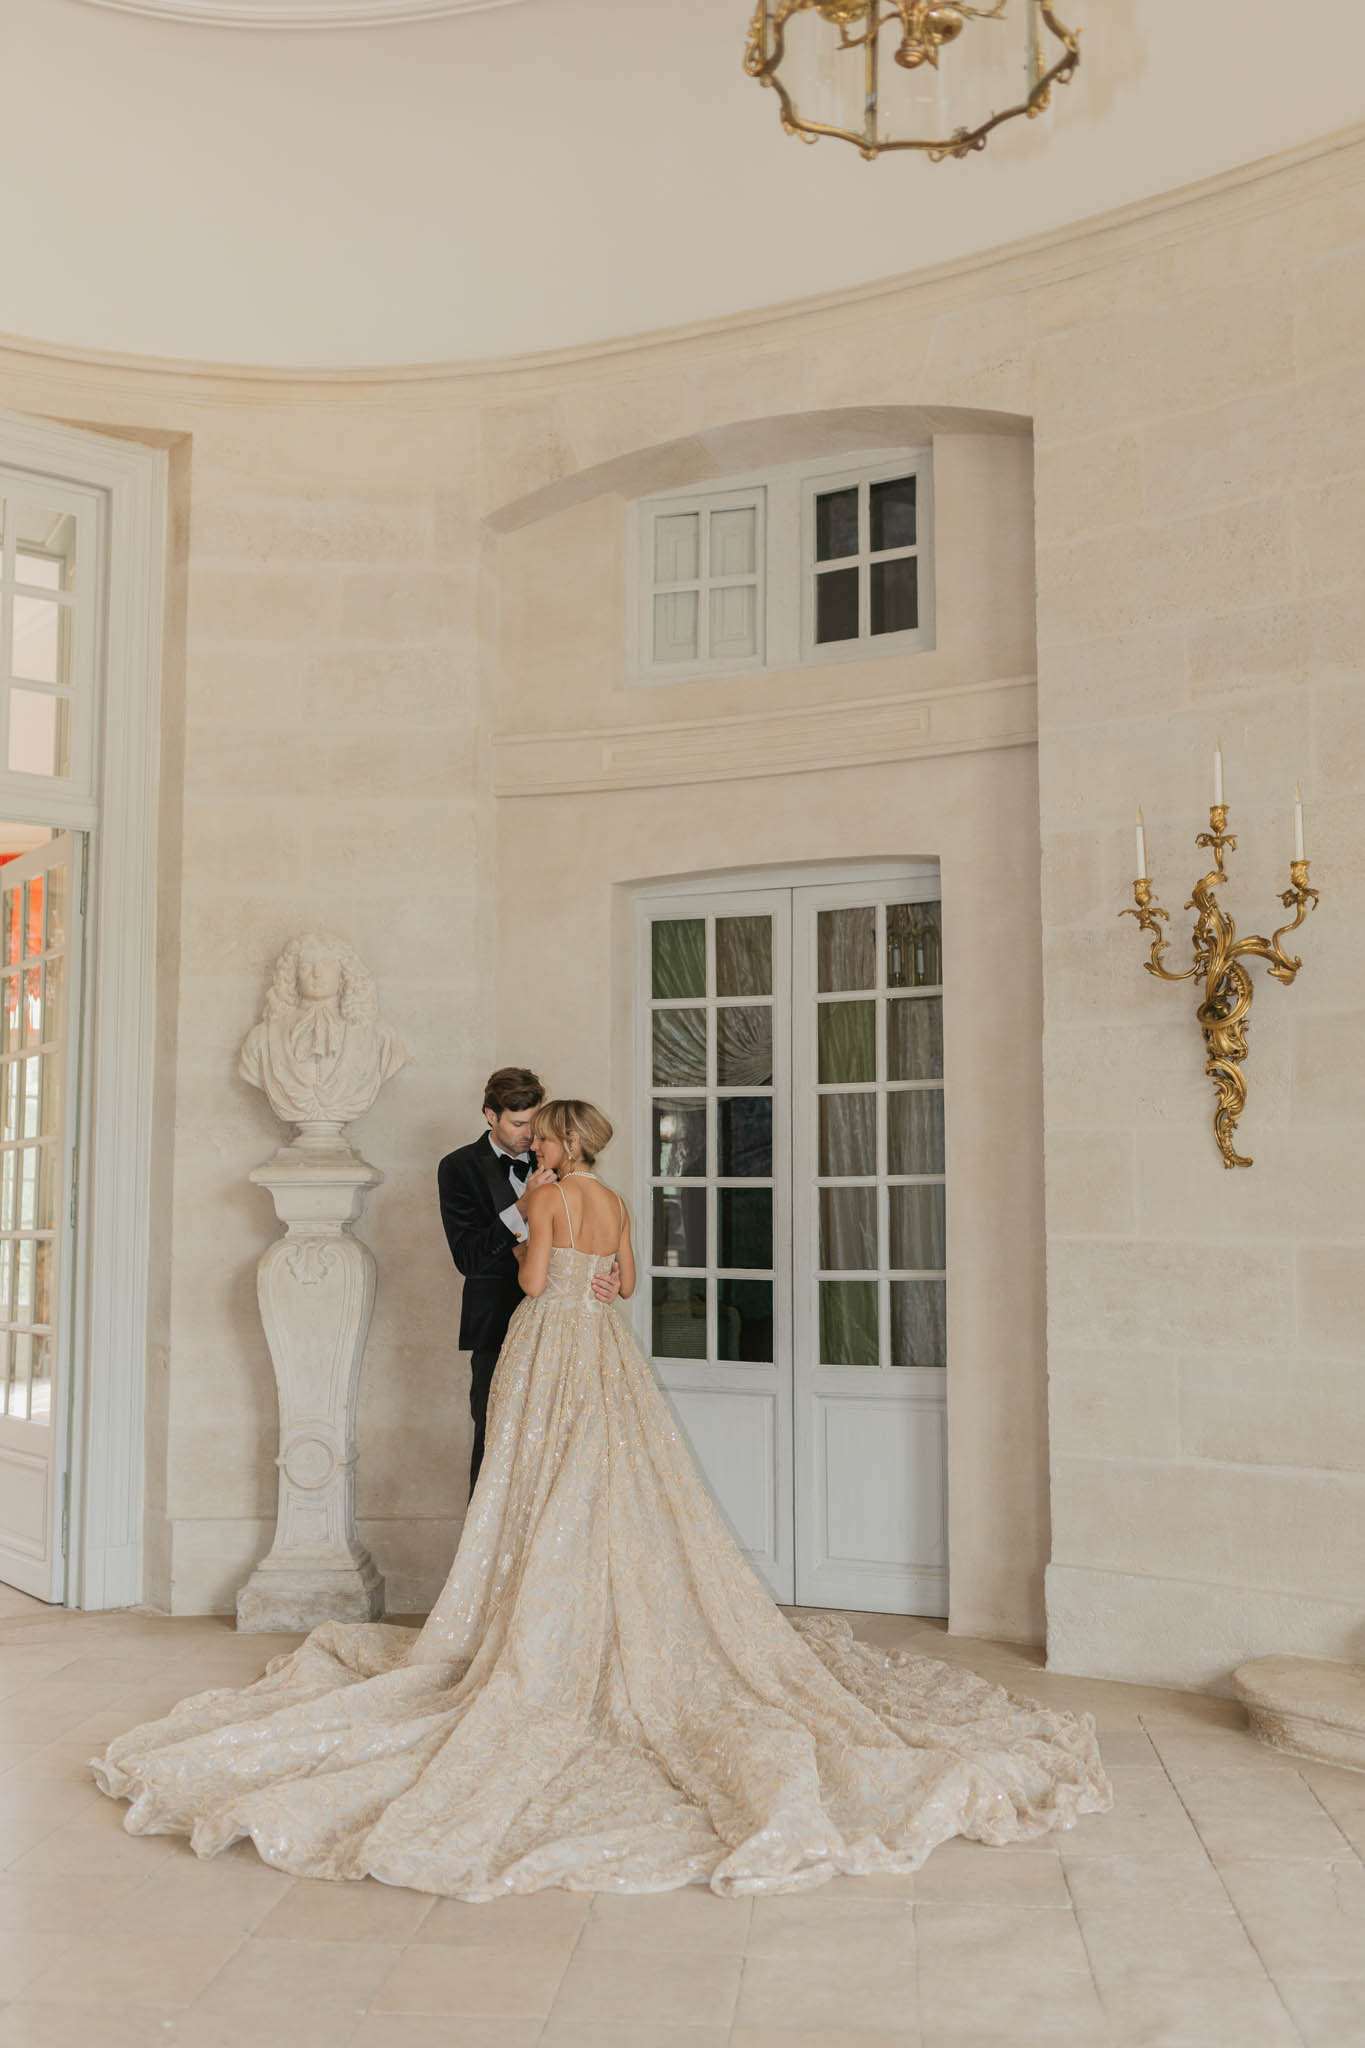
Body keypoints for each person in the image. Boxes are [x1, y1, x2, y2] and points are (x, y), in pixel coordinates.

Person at [92, 1098, 1111, 1901]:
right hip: (606, 1349)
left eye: (543, 1137)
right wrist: (587, 1266)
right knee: (617, 1474)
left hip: (547, 1347)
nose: (533, 1146)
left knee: (537, 1476)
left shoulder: (542, 1199)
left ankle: (537, 1614)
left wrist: (540, 1233)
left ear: (557, 1146)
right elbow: (621, 1281)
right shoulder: (617, 1199)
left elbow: (536, 1284)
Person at [437, 1066, 619, 1490]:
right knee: (495, 1445)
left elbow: (591, 1233)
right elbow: (467, 1257)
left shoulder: (558, 1160)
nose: (528, 1137)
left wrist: (606, 1275)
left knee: (564, 1448)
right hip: (496, 1328)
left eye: (534, 1125)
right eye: (517, 1124)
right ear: (489, 1115)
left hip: (565, 1334)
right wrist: (523, 1207)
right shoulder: (458, 1167)